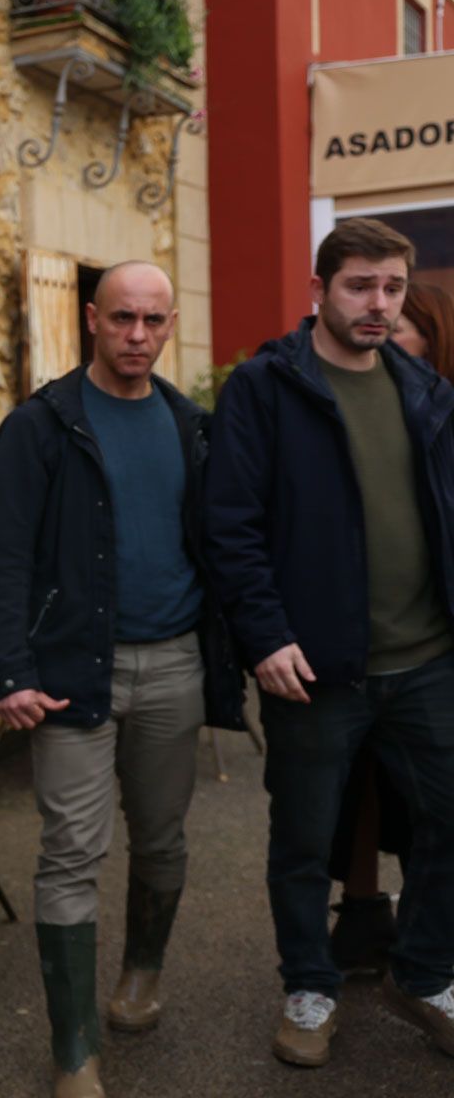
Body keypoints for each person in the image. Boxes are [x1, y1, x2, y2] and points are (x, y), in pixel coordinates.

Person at [0, 262, 242, 1098]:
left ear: (168, 325)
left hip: (173, 664)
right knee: (69, 854)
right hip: (69, 674)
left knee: (162, 839)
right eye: (122, 318)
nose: (138, 337)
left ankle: (141, 975)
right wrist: (10, 670)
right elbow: (2, 557)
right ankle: (74, 1047)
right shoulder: (43, 424)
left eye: (153, 321)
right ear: (92, 318)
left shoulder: (191, 425)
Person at [205, 218, 454, 1066]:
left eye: (391, 288)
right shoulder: (266, 388)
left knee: (447, 821)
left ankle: (422, 973)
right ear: (319, 291)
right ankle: (309, 987)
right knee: (305, 842)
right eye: (360, 287)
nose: (378, 304)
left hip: (426, 660)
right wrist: (266, 637)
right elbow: (229, 525)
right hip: (313, 670)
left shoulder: (422, 387)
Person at [328, 280, 454, 975]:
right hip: (369, 644)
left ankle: (425, 934)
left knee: (432, 796)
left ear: (432, 345)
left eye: (400, 328)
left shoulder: (439, 417)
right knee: (366, 784)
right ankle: (367, 912)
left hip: (435, 643)